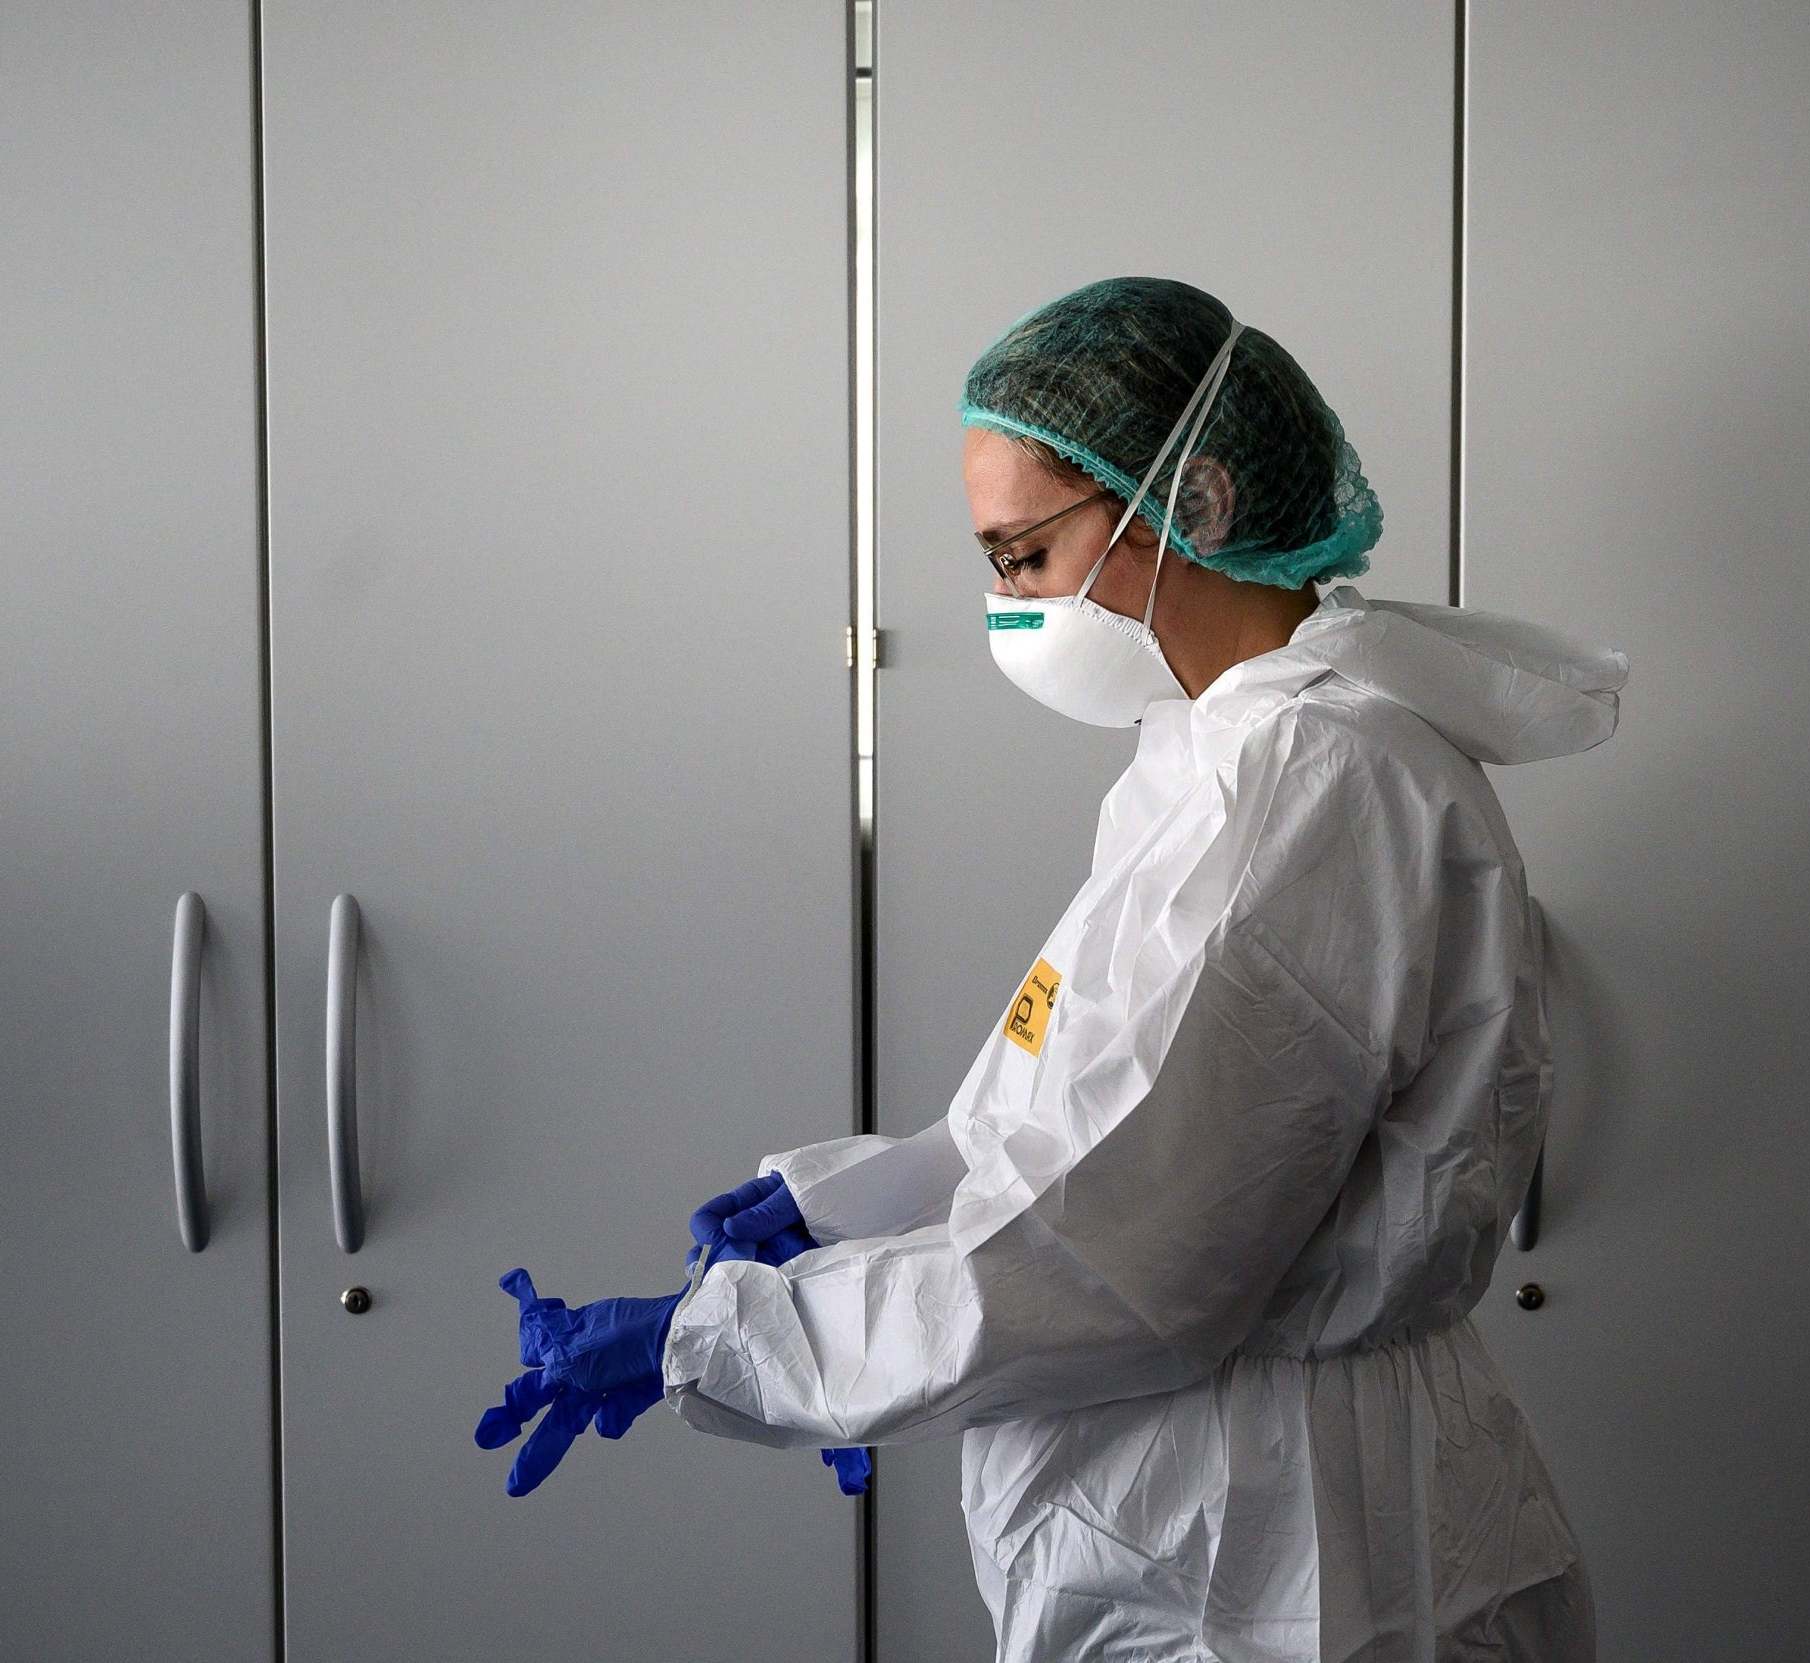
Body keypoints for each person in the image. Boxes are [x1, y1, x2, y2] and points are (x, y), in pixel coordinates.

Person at [492, 275, 1629, 1660]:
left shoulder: (1307, 779)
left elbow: (1119, 1261)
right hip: (1220, 1503)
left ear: (1192, 505)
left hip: (1274, 1543)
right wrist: (851, 1203)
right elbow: (1098, 1112)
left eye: (1023, 555)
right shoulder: (1210, 753)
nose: (1003, 603)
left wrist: (725, 1340)